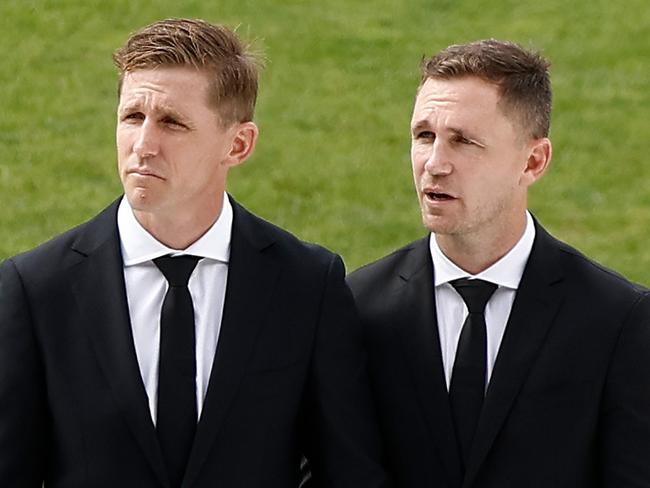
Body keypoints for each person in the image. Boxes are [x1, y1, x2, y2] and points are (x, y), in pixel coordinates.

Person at [0, 18, 387, 488]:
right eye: (131, 117)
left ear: (238, 144)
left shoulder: (307, 283)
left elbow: (349, 471)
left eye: (172, 123)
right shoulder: (36, 287)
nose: (143, 145)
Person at [347, 39, 650, 487]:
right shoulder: (355, 306)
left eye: (463, 141)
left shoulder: (618, 319)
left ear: (533, 160)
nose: (434, 164)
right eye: (424, 136)